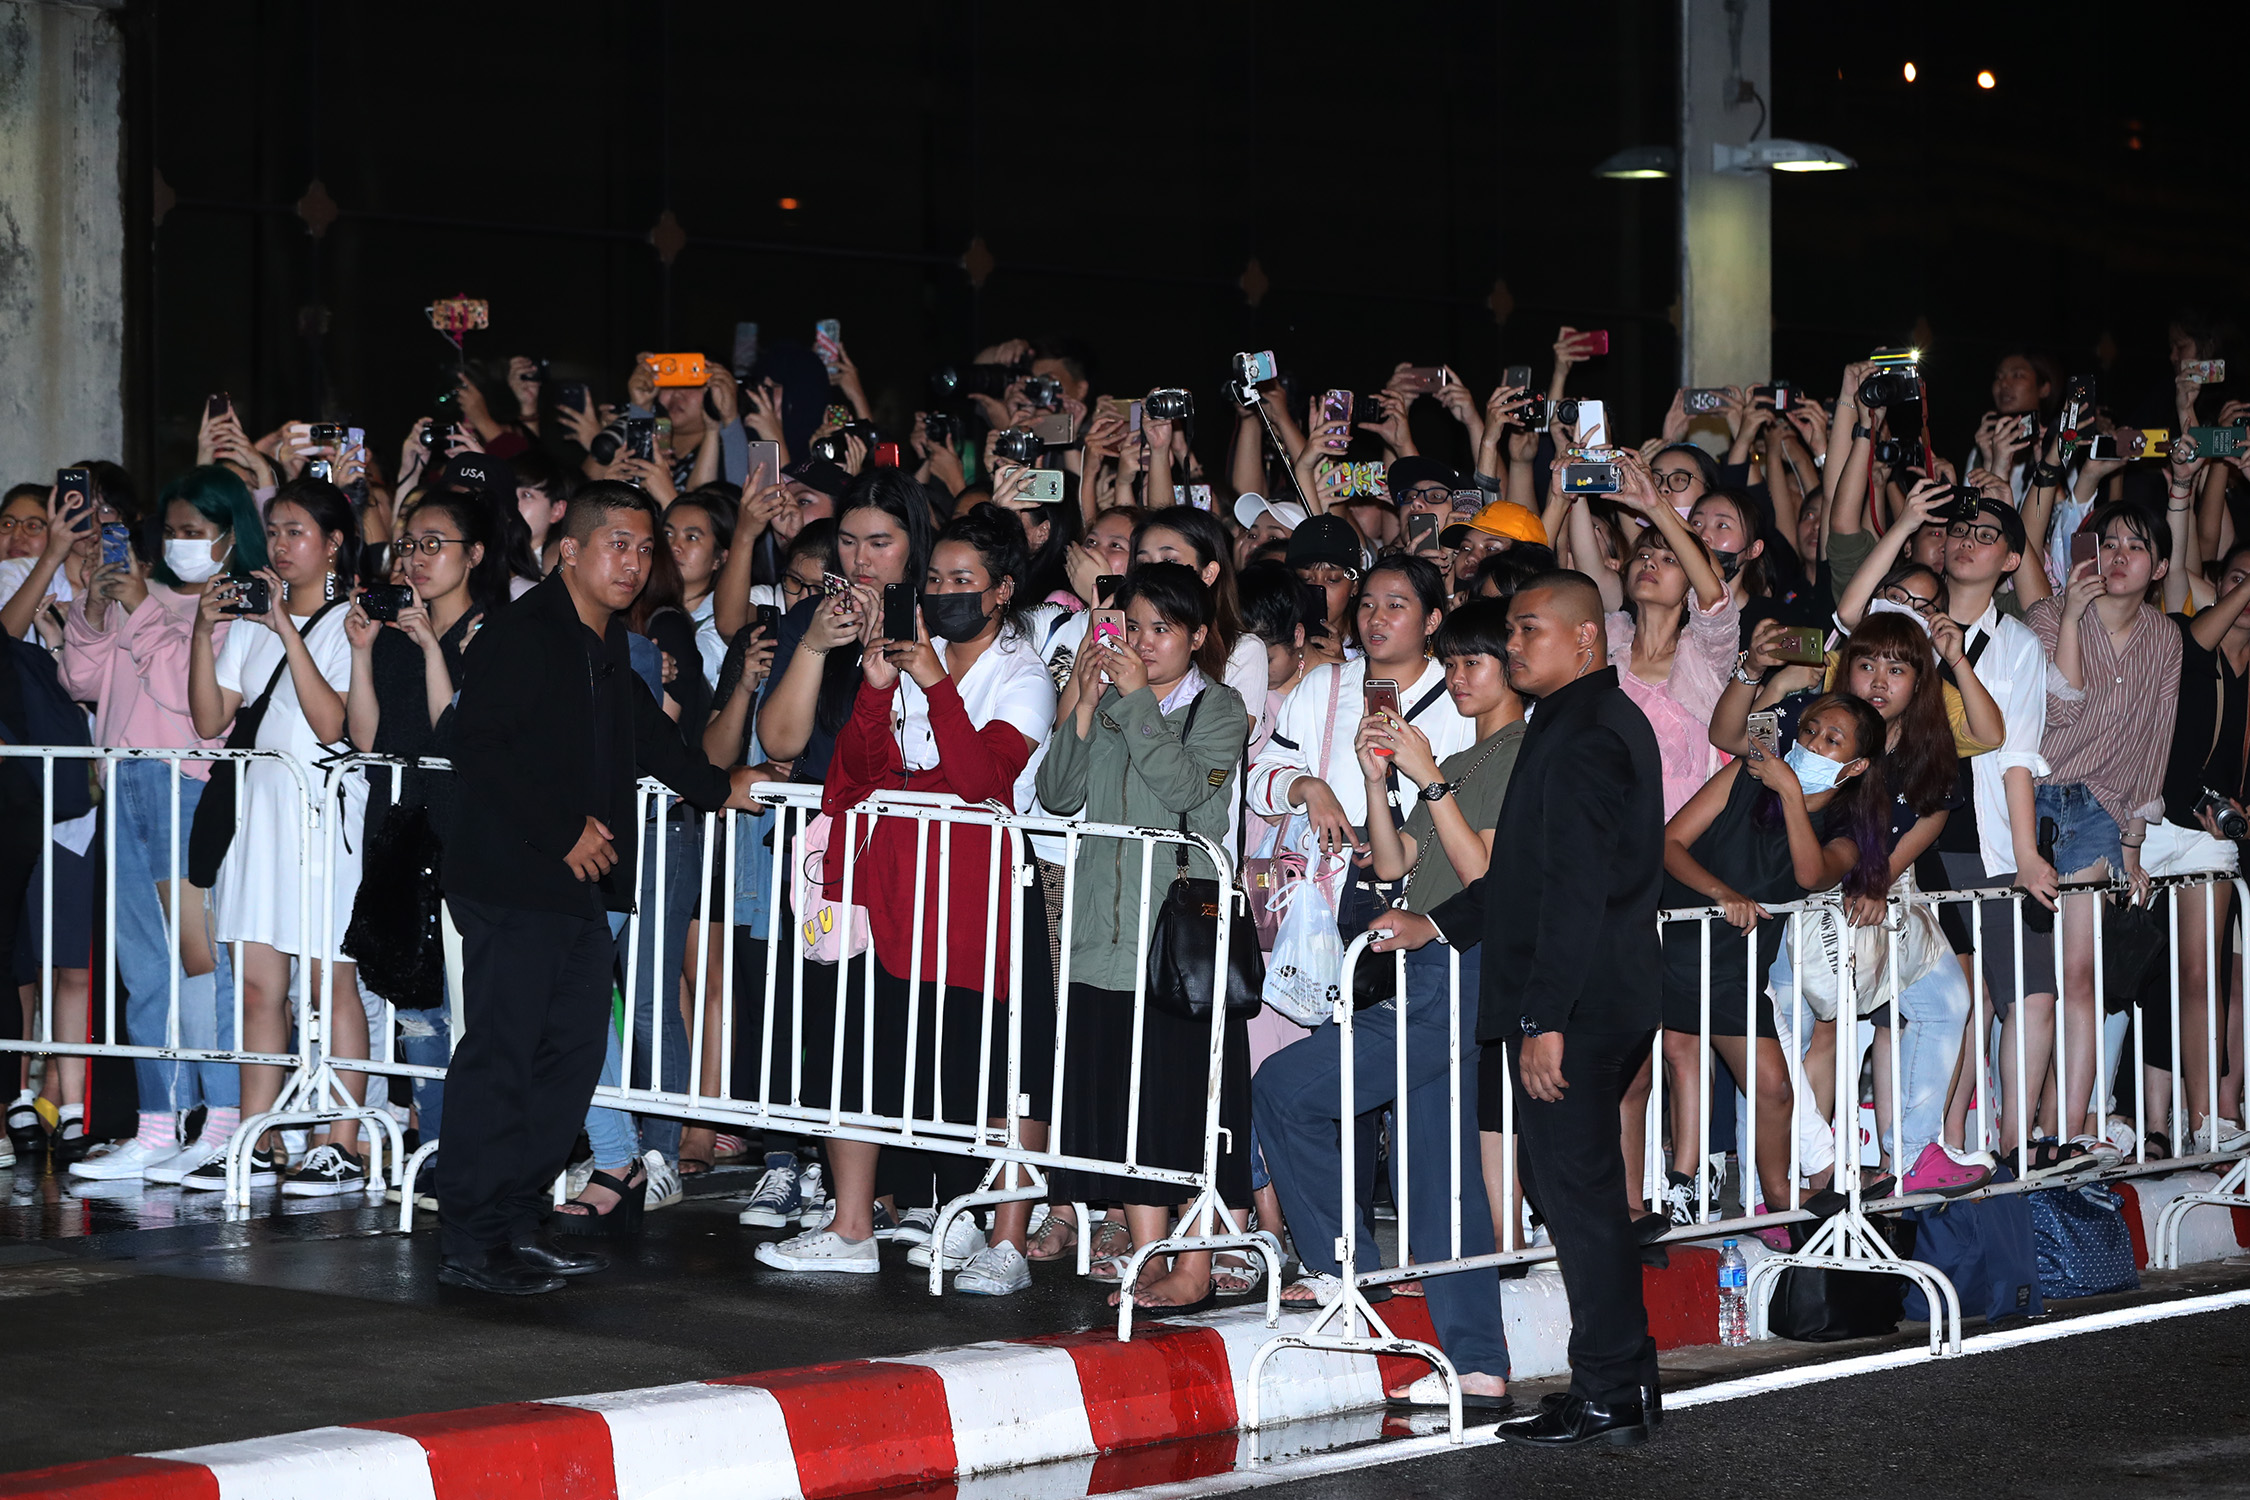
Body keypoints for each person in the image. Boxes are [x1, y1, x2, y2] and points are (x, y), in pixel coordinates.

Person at [435, 480, 763, 1295]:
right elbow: (474, 746)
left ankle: (517, 1223)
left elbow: (645, 734)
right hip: (516, 884)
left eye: (646, 547)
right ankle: (471, 1241)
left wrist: (721, 786)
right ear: (570, 551)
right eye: (619, 543)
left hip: (581, 890)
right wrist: (561, 829)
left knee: (570, 1062)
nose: (636, 561)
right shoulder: (522, 633)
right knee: (502, 1060)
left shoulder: (607, 643)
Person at [1372, 570, 1665, 1448]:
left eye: (1528, 631)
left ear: (1583, 638)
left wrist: (1545, 1022)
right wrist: (1437, 922)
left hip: (1579, 1004)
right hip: (1593, 995)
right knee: (1573, 1194)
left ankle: (1612, 1388)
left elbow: (1570, 896)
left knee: (1577, 1199)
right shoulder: (1581, 722)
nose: (1512, 647)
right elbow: (1524, 879)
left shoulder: (1582, 736)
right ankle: (1623, 1378)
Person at [756, 499, 1057, 1293]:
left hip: (979, 888)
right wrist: (877, 689)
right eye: (934, 578)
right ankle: (852, 1227)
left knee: (999, 1063)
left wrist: (932, 686)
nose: (944, 590)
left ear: (1001, 592)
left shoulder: (1022, 675)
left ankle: (1006, 1241)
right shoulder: (909, 652)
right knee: (859, 1044)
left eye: (965, 579)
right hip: (891, 881)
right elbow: (858, 774)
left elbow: (984, 780)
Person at [1256, 598, 1522, 1412]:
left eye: (1476, 662)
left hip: (1455, 966)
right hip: (1428, 963)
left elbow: (1491, 881)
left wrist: (1428, 780)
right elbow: (1400, 854)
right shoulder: (1471, 754)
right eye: (1457, 663)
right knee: (1437, 1169)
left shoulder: (1517, 753)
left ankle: (1351, 1275)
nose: (1460, 677)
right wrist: (1379, 780)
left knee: (1288, 1089)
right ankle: (1475, 1362)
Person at [1037, 561, 1251, 1310]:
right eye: (1132, 626)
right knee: (1120, 1104)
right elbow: (1056, 793)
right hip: (1101, 934)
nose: (1143, 642)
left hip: (1174, 942)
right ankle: (1147, 1248)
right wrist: (1084, 702)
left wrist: (1133, 702)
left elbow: (1192, 793)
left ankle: (1187, 1261)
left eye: (1162, 629)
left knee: (1179, 1103)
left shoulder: (1221, 710)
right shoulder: (1111, 699)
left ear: (1196, 637)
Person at [52, 466, 264, 1183]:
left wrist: (141, 613)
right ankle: (155, 1125)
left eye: (196, 533)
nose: (180, 544)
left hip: (187, 785)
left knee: (200, 963)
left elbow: (191, 701)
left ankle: (222, 1121)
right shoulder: (150, 598)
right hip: (128, 781)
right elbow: (80, 683)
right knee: (144, 969)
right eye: (172, 531)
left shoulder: (234, 607)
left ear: (230, 535)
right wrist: (93, 612)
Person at [184, 478, 374, 1195]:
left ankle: (342, 1142)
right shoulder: (248, 625)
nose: (283, 545)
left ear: (333, 544)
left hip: (324, 824)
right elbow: (208, 720)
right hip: (257, 826)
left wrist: (287, 632)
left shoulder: (351, 622)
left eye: (298, 531)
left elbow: (334, 726)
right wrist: (205, 631)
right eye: (276, 530)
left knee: (333, 986)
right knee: (262, 990)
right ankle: (258, 1140)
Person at [1656, 694, 1890, 1232]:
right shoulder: (1743, 777)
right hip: (1682, 941)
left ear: (1856, 767)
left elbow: (1811, 874)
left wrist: (1790, 791)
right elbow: (1668, 841)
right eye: (1810, 731)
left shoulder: (1847, 830)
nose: (1812, 744)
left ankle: (1779, 1208)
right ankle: (1715, 1193)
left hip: (1740, 965)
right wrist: (1720, 893)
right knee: (1685, 1055)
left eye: (1833, 740)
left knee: (1774, 1087)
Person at [2023, 499, 2182, 1165]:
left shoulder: (2164, 638)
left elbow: (2153, 743)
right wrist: (2068, 617)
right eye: (2109, 542)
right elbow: (2058, 714)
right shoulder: (2042, 618)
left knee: (2081, 974)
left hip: (2095, 808)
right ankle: (2018, 1128)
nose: (2117, 557)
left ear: (2160, 566)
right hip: (2026, 799)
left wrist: (2133, 844)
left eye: (2135, 547)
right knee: (2028, 985)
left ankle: (2071, 1131)